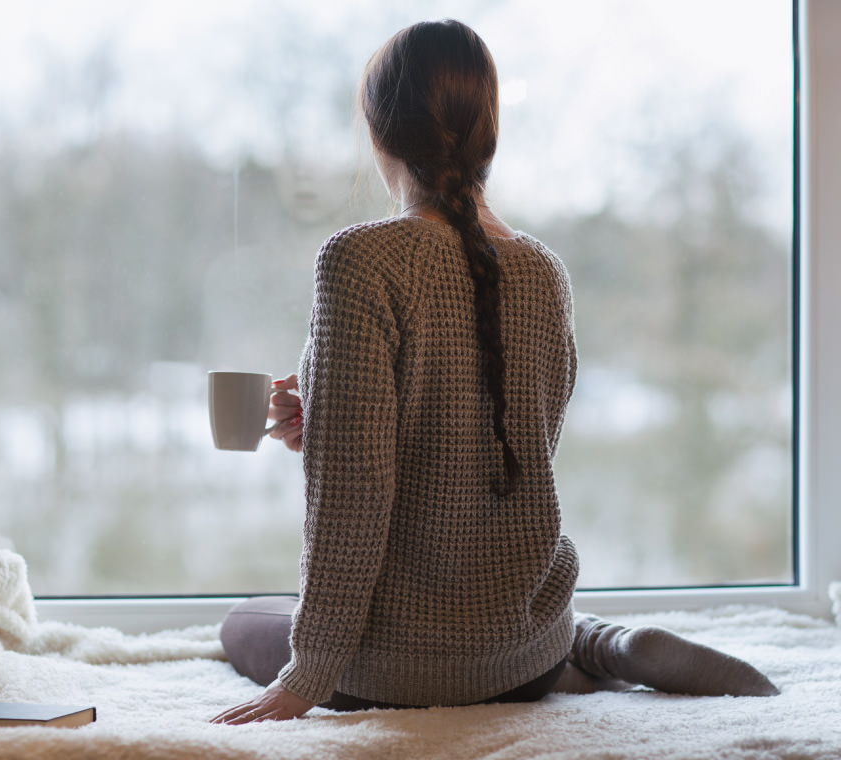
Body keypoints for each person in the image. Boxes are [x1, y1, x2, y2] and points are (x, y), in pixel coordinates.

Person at [211, 19, 777, 725]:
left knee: (243, 620)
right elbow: (505, 458)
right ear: (487, 130)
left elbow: (352, 499)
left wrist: (307, 676)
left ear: (379, 129)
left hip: (398, 668)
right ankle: (596, 642)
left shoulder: (358, 260)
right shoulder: (545, 271)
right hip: (525, 658)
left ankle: (590, 640)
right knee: (525, 626)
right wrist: (328, 419)